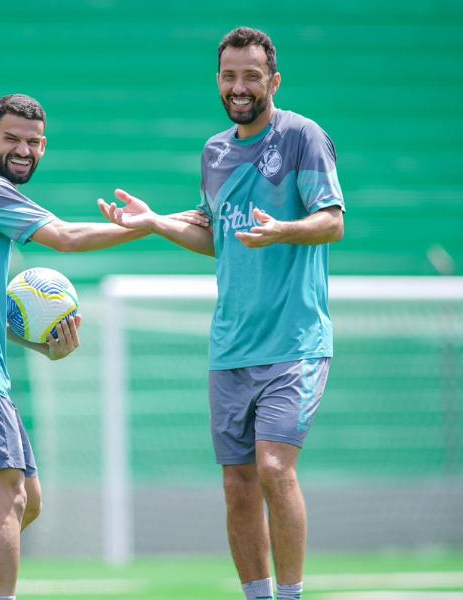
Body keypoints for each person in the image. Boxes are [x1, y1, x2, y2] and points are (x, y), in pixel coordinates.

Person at [0, 94, 207, 600]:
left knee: (26, 502)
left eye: (33, 142)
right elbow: (67, 237)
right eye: (11, 139)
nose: (23, 149)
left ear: (44, 146)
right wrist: (154, 225)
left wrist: (41, 347)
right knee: (7, 500)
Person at [98, 27, 344, 600]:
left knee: (275, 470)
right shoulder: (214, 151)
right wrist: (157, 221)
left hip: (294, 343)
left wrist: (283, 229)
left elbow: (332, 220)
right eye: (229, 76)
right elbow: (219, 235)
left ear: (273, 81)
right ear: (218, 81)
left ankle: (291, 596)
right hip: (230, 348)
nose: (239, 86)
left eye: (251, 76)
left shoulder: (304, 137)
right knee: (237, 486)